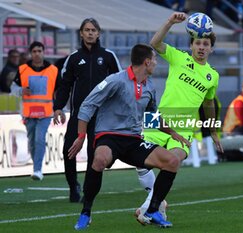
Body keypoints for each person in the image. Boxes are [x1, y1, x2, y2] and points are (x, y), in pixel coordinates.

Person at [69, 44, 191, 230]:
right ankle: (86, 213)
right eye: (155, 60)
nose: (156, 63)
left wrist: (173, 133)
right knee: (99, 159)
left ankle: (152, 210)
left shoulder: (149, 86)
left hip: (133, 140)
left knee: (172, 161)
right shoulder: (115, 80)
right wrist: (81, 136)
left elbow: (152, 117)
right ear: (147, 62)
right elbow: (87, 105)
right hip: (109, 136)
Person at [135, 12, 223, 222]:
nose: (201, 47)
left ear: (211, 48)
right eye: (198, 43)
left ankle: (152, 207)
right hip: (158, 118)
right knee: (139, 161)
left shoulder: (213, 76)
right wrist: (170, 22)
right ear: (192, 45)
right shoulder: (178, 57)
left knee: (172, 160)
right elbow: (154, 43)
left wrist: (212, 131)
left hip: (184, 126)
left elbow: (209, 103)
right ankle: (157, 202)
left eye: (206, 44)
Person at [53, 18, 121, 202]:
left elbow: (120, 84)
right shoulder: (73, 58)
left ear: (98, 33)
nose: (90, 33)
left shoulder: (108, 56)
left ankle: (88, 191)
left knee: (94, 154)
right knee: (69, 150)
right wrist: (58, 107)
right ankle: (73, 185)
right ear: (81, 33)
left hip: (101, 116)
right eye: (87, 30)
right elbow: (64, 85)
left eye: (93, 30)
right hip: (78, 116)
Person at [11, 41, 59, 180]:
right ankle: (36, 167)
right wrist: (21, 90)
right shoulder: (22, 69)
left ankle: (38, 169)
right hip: (28, 113)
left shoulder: (53, 70)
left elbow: (60, 91)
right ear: (31, 53)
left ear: (44, 52)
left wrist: (59, 108)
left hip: (45, 113)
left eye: (39, 51)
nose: (37, 54)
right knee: (32, 141)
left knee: (39, 139)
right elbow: (13, 89)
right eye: (34, 51)